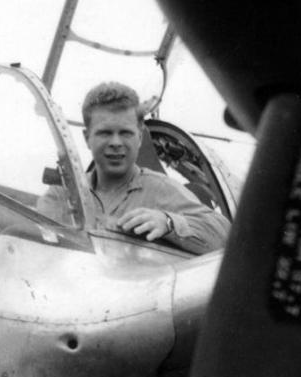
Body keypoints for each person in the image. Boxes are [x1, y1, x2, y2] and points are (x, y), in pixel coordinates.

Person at [80, 82, 230, 254]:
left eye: (126, 133)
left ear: (140, 137)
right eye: (105, 133)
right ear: (87, 137)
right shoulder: (66, 193)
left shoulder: (161, 188)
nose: (116, 143)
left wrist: (168, 223)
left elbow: (225, 235)